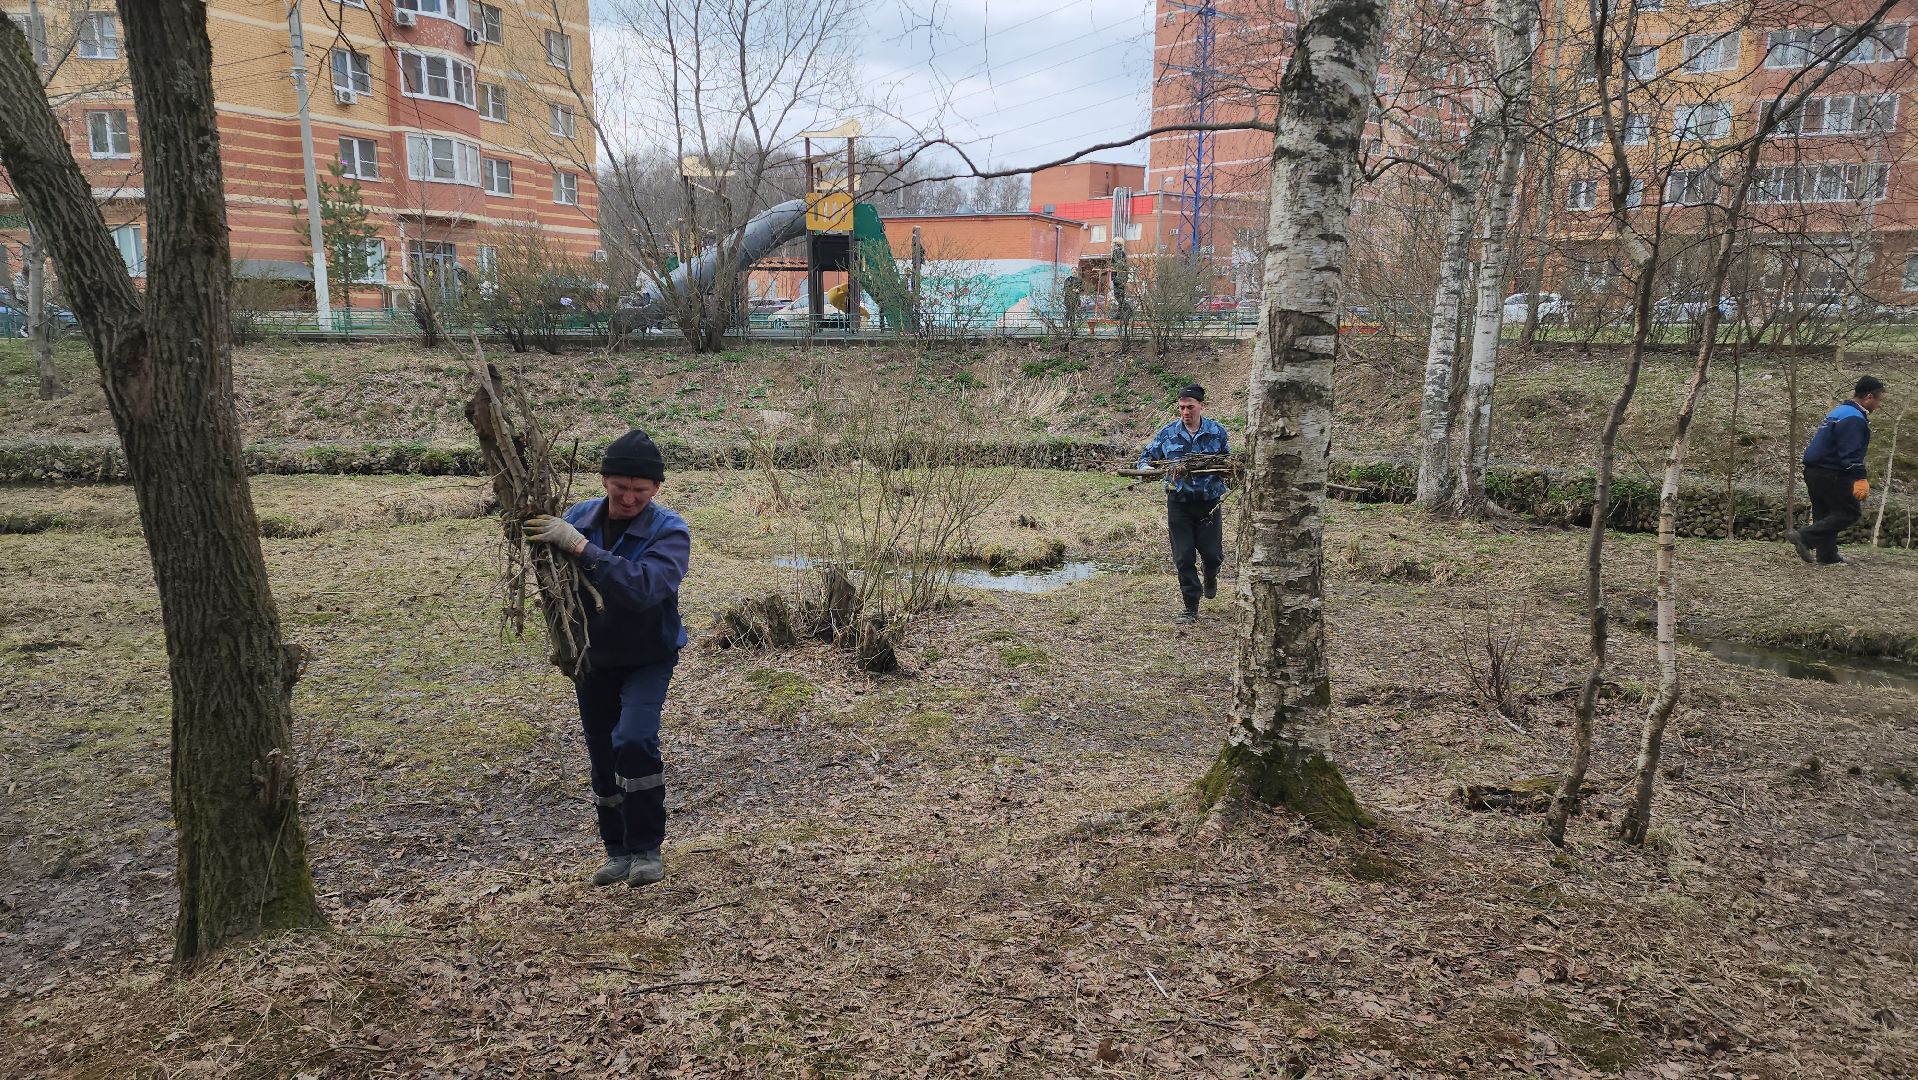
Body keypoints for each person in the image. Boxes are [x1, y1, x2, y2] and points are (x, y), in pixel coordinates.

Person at [524, 430, 691, 887]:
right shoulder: (579, 516)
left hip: (647, 656)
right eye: (621, 487)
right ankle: (616, 851)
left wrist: (581, 547)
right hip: (593, 658)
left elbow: (644, 588)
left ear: (656, 489)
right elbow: (551, 574)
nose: (630, 497)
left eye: (641, 490)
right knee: (601, 754)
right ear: (604, 480)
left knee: (633, 740)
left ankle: (646, 849)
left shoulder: (669, 530)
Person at [1138, 384, 1230, 624]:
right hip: (1179, 503)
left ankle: (1211, 575)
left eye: (1190, 407)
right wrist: (1146, 468)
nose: (1185, 412)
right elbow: (1145, 458)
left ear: (1201, 406)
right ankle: (1191, 606)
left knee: (1212, 554)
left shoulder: (1217, 432)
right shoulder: (1168, 433)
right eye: (1181, 407)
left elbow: (1227, 463)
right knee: (1184, 557)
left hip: (1208, 502)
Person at [1789, 375, 1885, 566]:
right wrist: (1860, 477)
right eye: (1879, 400)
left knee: (1824, 513)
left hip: (1813, 470)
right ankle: (1804, 537)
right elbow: (1850, 452)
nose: (1879, 405)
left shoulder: (1839, 411)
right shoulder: (1854, 418)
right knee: (1849, 512)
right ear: (1868, 397)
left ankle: (1827, 556)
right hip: (1831, 471)